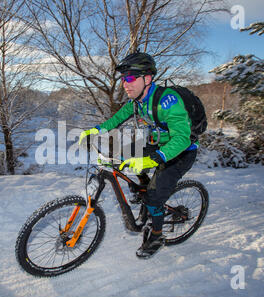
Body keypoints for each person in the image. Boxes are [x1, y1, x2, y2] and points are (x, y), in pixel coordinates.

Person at [79, 51, 198, 258]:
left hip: (181, 152)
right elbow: (115, 120)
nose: (126, 83)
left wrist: (154, 158)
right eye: (124, 78)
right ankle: (142, 187)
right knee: (123, 152)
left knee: (154, 197)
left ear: (148, 78)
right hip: (158, 144)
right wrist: (95, 130)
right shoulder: (136, 101)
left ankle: (157, 235)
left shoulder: (168, 101)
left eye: (131, 78)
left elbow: (182, 138)